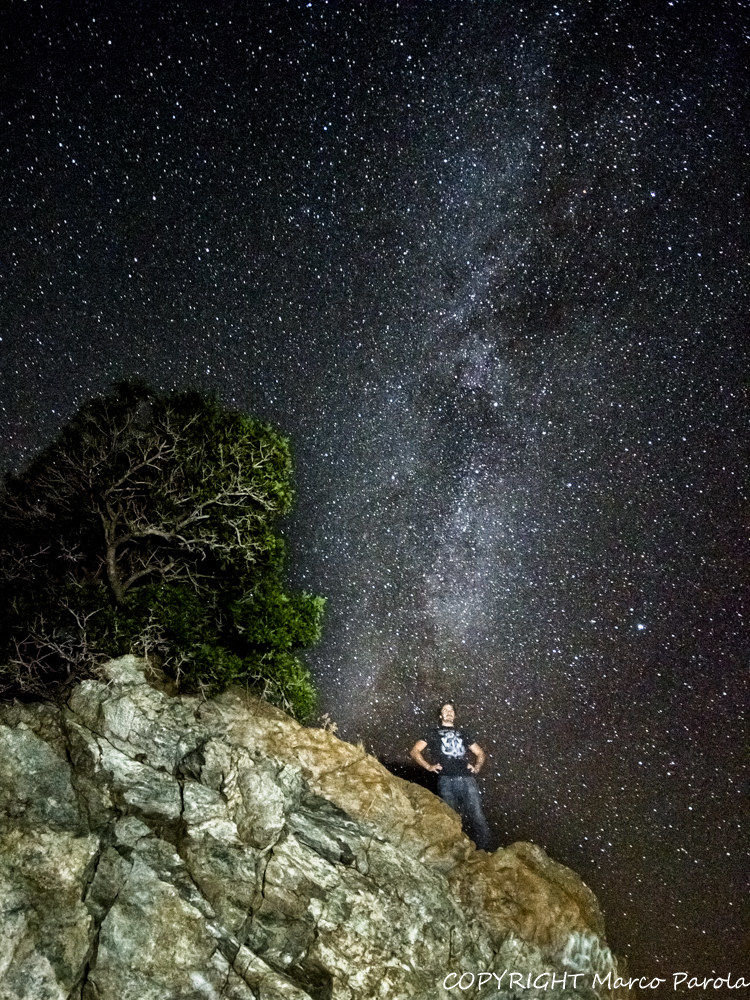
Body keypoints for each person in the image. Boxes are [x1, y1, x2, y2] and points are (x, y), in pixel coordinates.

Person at [410, 701, 493, 851]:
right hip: (446, 779)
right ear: (440, 715)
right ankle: (452, 851)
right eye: (445, 710)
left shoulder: (464, 733)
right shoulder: (432, 732)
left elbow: (480, 753)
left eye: (451, 710)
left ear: (454, 715)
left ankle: (486, 852)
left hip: (467, 779)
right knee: (450, 816)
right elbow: (415, 751)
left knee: (477, 816)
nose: (449, 712)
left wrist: (477, 767)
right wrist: (429, 766)